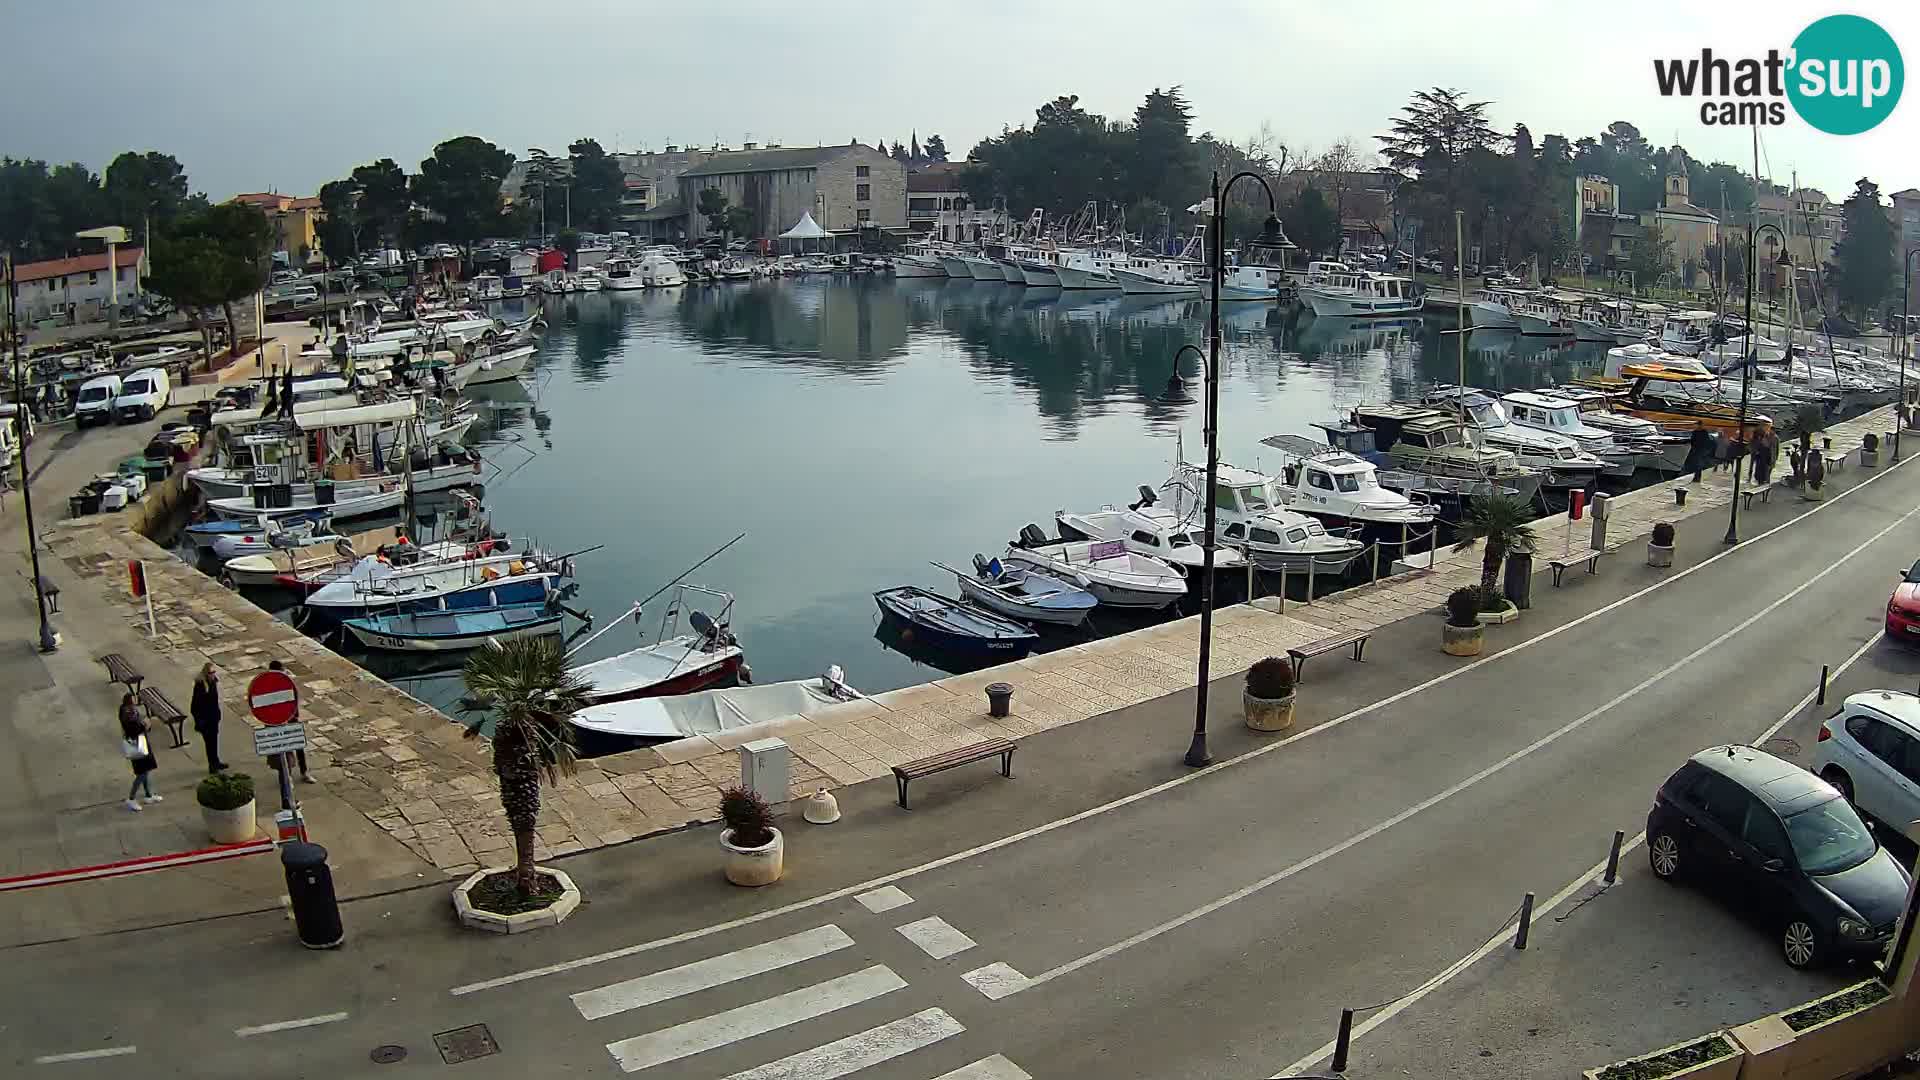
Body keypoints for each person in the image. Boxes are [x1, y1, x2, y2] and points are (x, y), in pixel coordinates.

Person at [266, 660, 313, 790]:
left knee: (299, 747)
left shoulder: (287, 681)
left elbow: (294, 699)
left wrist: (294, 716)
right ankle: (288, 778)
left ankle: (304, 772)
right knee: (285, 752)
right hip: (277, 722)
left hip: (291, 718)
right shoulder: (267, 683)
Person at [120, 692, 160, 811]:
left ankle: (148, 795)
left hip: (141, 742)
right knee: (142, 773)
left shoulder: (129, 711)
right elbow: (133, 729)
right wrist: (145, 726)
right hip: (137, 744)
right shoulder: (128, 714)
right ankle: (131, 798)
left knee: (145, 770)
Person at [191, 663, 226, 773]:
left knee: (214, 742)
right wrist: (200, 720)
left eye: (214, 672)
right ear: (206, 673)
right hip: (205, 720)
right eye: (211, 672)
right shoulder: (201, 686)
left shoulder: (213, 683)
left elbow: (214, 701)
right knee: (209, 743)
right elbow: (194, 706)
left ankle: (216, 762)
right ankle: (212, 766)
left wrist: (218, 714)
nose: (213, 674)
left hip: (213, 718)